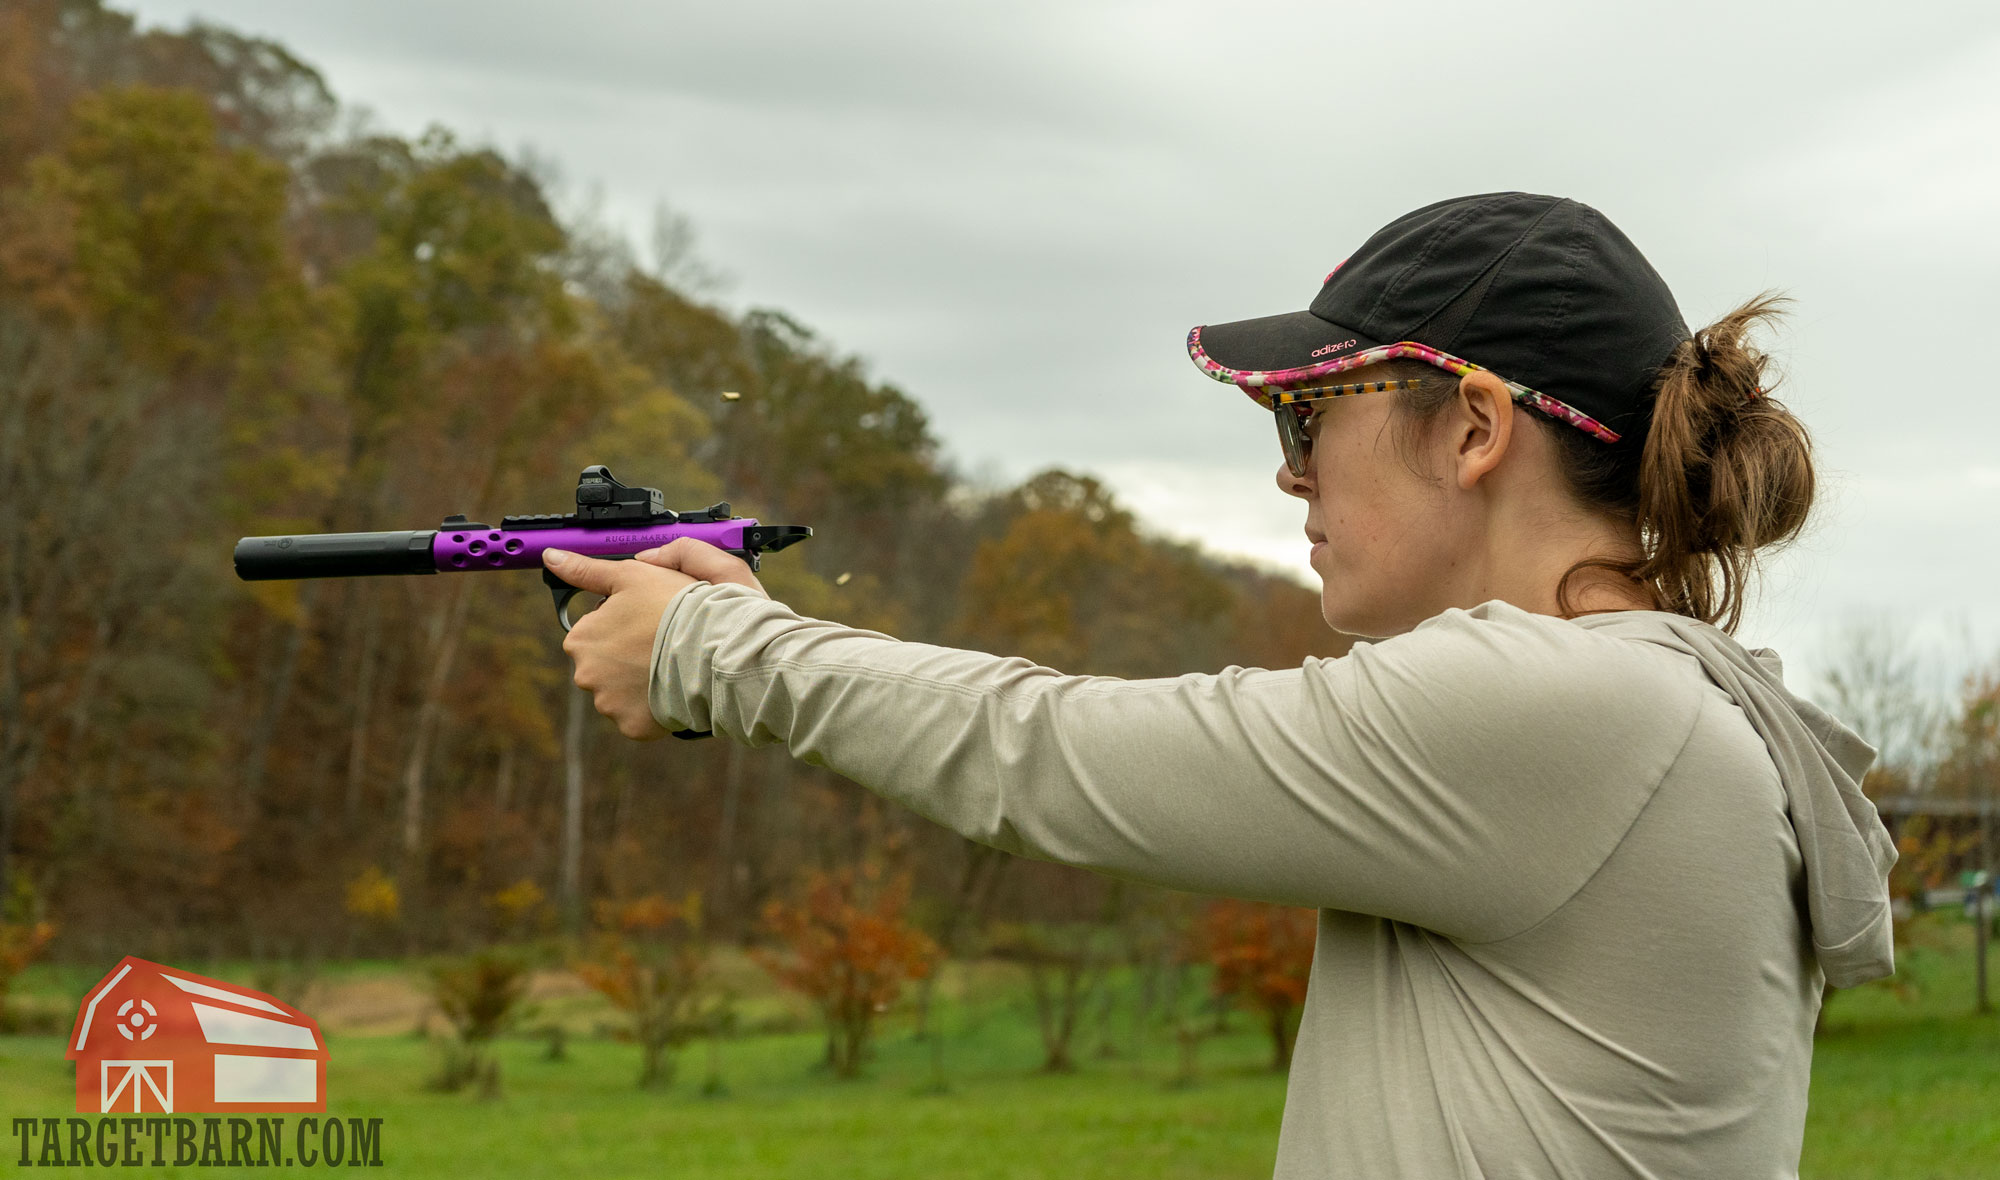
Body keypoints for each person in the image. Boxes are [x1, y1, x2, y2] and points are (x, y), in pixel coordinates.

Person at [547, 192, 1897, 1179]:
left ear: (1477, 427)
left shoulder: (1578, 711)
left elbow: (1046, 756)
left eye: (1311, 414)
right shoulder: (1652, 711)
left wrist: (714, 651)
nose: (1290, 471)